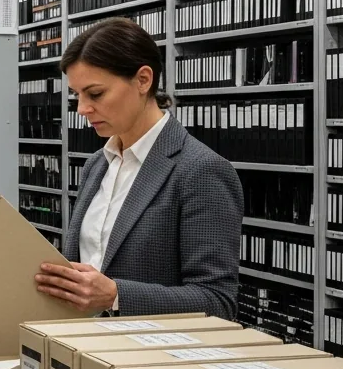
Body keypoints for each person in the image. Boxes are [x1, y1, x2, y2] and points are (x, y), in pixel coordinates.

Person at [35, 17, 243, 319]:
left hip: (146, 358)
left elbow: (218, 301)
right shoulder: (97, 165)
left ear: (143, 80)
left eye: (95, 94)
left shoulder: (200, 171)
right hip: (82, 349)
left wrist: (115, 296)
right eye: (77, 95)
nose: (82, 109)